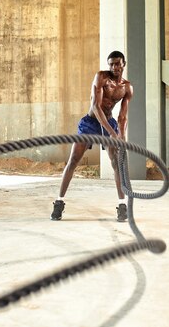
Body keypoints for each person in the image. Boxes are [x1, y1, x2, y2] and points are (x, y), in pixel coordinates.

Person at [51, 50, 133, 222]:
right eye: (111, 64)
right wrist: (112, 133)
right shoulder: (101, 77)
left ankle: (122, 206)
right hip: (91, 122)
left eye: (117, 63)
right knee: (74, 160)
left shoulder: (127, 88)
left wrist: (121, 135)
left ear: (123, 64)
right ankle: (59, 202)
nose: (114, 67)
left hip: (109, 122)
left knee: (116, 163)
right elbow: (96, 106)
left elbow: (123, 116)